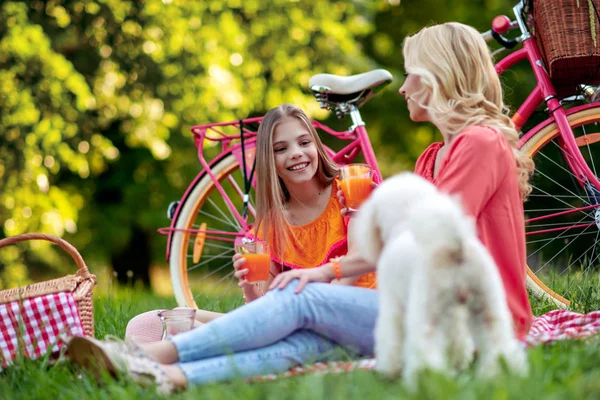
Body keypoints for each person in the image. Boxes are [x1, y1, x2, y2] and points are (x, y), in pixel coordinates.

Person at [68, 22, 533, 392]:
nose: (403, 87)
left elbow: (434, 243)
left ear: (439, 77)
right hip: (421, 311)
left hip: (470, 323)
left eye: (411, 73)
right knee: (307, 337)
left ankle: (151, 357)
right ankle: (170, 378)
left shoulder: (478, 143)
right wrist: (315, 276)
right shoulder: (437, 155)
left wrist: (322, 274)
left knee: (302, 300)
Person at [123, 103, 376, 341]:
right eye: (281, 149)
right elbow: (263, 313)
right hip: (298, 321)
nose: (296, 154)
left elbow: (357, 265)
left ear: (316, 146)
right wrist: (249, 287)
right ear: (269, 160)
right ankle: (163, 350)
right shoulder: (269, 228)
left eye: (304, 142)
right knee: (147, 322)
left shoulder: (350, 188)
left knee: (208, 332)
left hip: (360, 315)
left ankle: (179, 348)